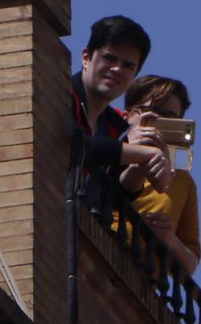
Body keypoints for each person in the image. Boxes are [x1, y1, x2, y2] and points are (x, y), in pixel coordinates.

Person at [70, 15, 171, 193]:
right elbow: (75, 143)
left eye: (128, 66)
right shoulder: (60, 94)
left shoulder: (117, 127)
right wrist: (145, 154)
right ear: (86, 58)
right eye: (109, 58)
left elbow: (116, 194)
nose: (117, 69)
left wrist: (141, 168)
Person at [120, 75, 201, 276]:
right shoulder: (110, 150)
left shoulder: (183, 181)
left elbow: (190, 263)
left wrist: (170, 239)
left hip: (142, 290)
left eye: (170, 117)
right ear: (127, 116)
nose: (160, 123)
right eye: (153, 112)